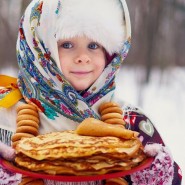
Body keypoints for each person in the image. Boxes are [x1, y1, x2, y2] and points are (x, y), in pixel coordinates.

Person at [0, 0, 182, 184]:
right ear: (39, 49)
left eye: (93, 46)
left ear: (110, 54)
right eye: (67, 45)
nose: (83, 57)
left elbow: (173, 178)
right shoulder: (6, 118)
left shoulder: (131, 122)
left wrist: (157, 178)